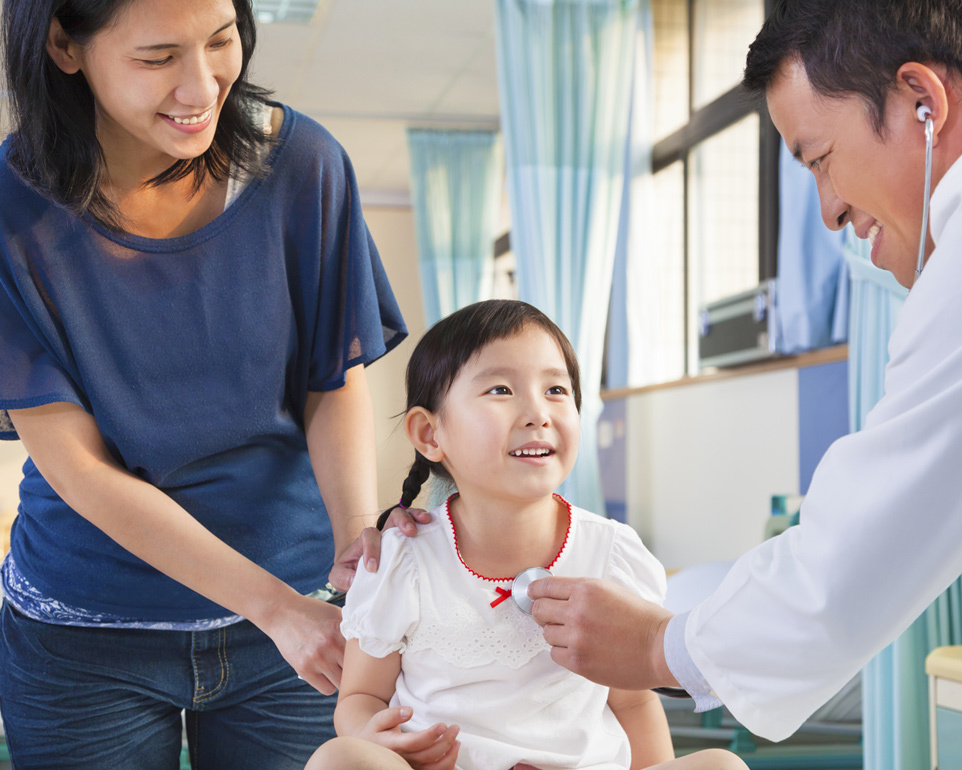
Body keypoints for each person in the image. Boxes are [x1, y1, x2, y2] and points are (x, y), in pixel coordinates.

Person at [514, 0, 962, 743]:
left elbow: (877, 524)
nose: (828, 211)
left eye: (820, 160)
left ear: (923, 102)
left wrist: (663, 646)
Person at [0, 0, 407, 767]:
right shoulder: (8, 212)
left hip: (298, 619)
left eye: (221, 42)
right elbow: (76, 466)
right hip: (88, 635)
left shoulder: (303, 166)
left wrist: (358, 539)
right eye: (157, 58)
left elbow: (331, 381)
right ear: (64, 45)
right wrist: (274, 609)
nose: (202, 87)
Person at [306, 300, 748, 770]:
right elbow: (359, 696)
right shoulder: (402, 560)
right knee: (340, 758)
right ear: (430, 433)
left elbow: (634, 704)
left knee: (722, 766)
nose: (538, 412)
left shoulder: (610, 553)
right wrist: (370, 733)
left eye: (556, 389)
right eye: (500, 389)